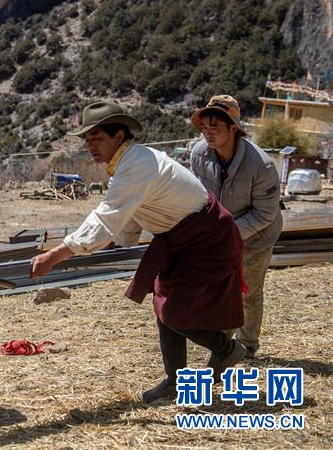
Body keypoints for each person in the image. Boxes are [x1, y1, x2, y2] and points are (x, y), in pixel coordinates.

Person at [30, 101, 247, 403]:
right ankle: (175, 380)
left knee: (174, 312)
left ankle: (227, 350)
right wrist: (121, 242)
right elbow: (131, 213)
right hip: (182, 238)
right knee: (164, 305)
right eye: (87, 140)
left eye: (97, 138)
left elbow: (106, 215)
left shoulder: (137, 164)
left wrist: (55, 255)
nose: (91, 146)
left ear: (119, 136)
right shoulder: (127, 164)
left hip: (207, 239)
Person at [189, 95, 283, 359]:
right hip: (221, 233)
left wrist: (224, 234)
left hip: (257, 234)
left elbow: (265, 213)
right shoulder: (199, 154)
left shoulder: (261, 165)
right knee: (221, 288)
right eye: (204, 128)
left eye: (215, 128)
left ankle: (247, 345)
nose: (207, 134)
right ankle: (225, 347)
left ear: (234, 129)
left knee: (248, 290)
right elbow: (196, 194)